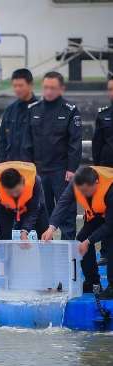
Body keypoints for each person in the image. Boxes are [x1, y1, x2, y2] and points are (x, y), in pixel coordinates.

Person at [22, 71, 82, 240]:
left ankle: (69, 260)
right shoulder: (33, 109)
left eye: (53, 88)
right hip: (39, 172)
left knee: (67, 215)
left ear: (61, 89)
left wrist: (72, 168)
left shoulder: (70, 110)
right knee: (41, 213)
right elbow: (27, 143)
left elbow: (75, 142)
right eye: (46, 87)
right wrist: (28, 170)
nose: (48, 91)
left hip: (62, 171)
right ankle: (45, 257)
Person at [41, 166, 113, 298]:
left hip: (110, 216)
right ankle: (92, 282)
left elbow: (109, 226)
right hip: (97, 214)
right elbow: (63, 203)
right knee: (81, 239)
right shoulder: (77, 182)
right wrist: (51, 227)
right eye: (81, 191)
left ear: (96, 183)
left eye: (86, 191)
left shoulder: (110, 188)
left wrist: (90, 240)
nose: (83, 194)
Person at [0, 161, 49, 252]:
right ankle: (6, 263)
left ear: (22, 181)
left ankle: (47, 260)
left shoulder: (35, 181)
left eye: (17, 191)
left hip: (30, 205)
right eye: (10, 193)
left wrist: (25, 232)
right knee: (4, 234)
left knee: (44, 232)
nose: (14, 195)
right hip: (6, 208)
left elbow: (34, 209)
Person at [92, 77, 113, 265]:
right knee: (107, 213)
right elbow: (97, 145)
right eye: (110, 89)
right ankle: (106, 252)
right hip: (107, 174)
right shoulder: (103, 115)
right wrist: (97, 171)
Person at [0, 68, 37, 162]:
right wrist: (3, 163)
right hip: (11, 166)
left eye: (20, 85)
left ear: (30, 85)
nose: (17, 89)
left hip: (33, 167)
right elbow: (2, 141)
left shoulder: (42, 110)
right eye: (15, 86)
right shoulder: (10, 110)